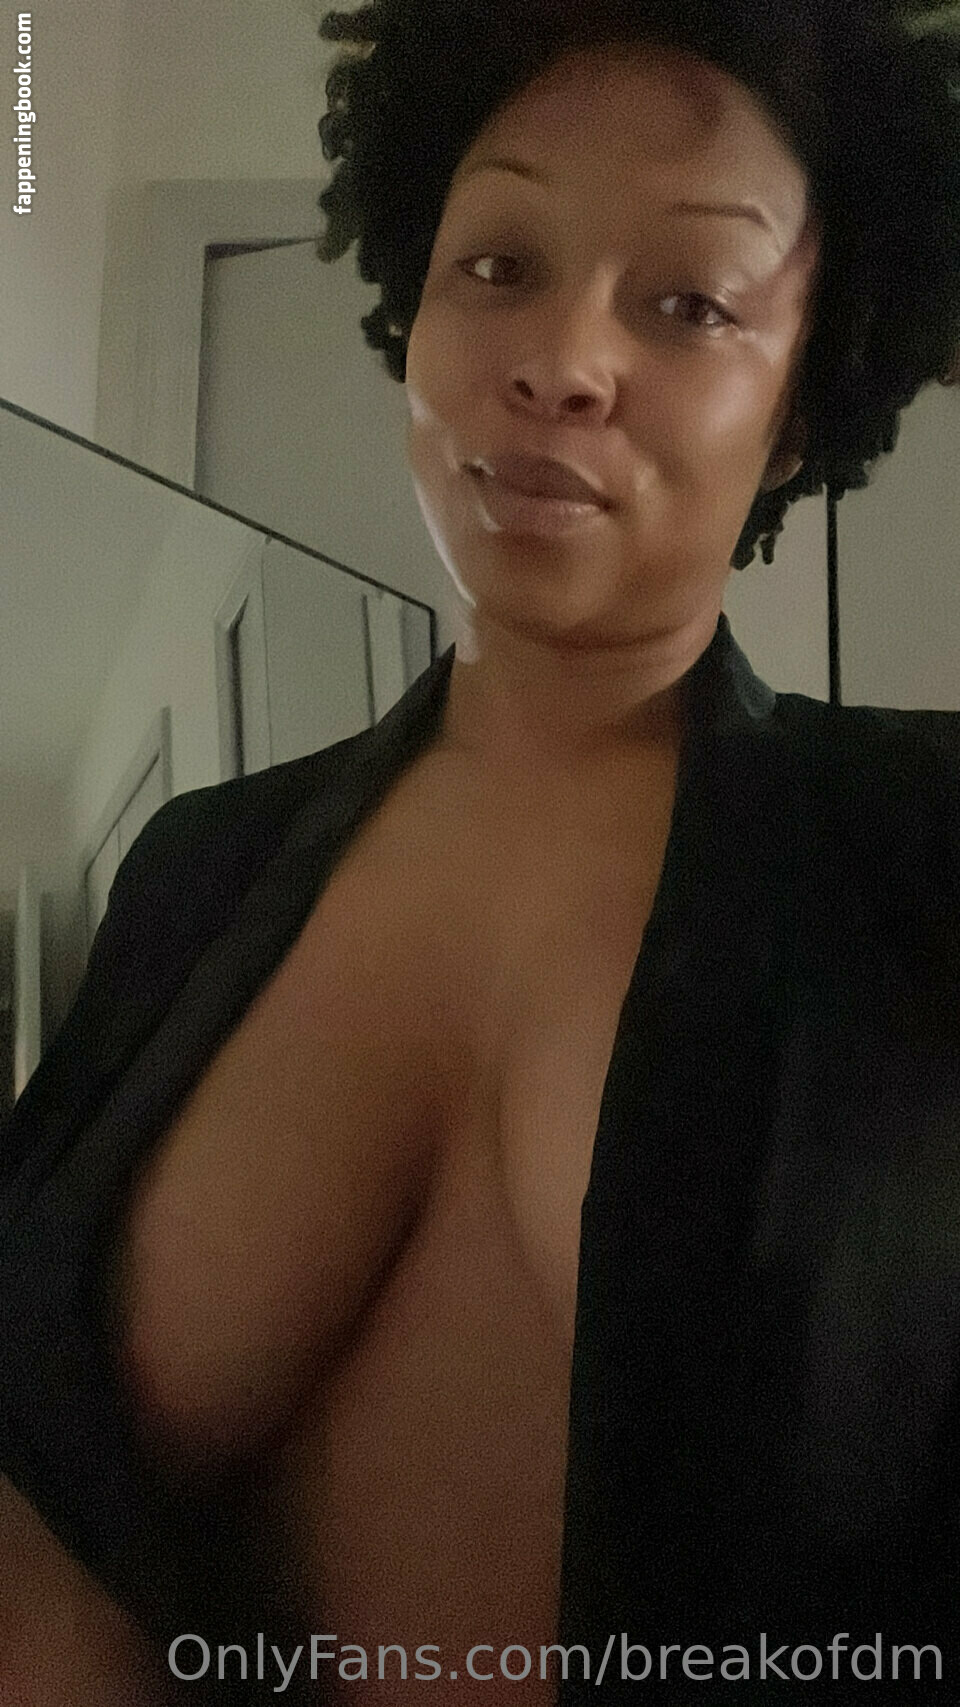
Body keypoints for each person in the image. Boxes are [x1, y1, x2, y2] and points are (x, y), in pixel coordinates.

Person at [1, 1, 959, 1703]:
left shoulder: (924, 848)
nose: (560, 360)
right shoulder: (197, 867)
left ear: (803, 407)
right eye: (499, 266)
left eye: (690, 302)